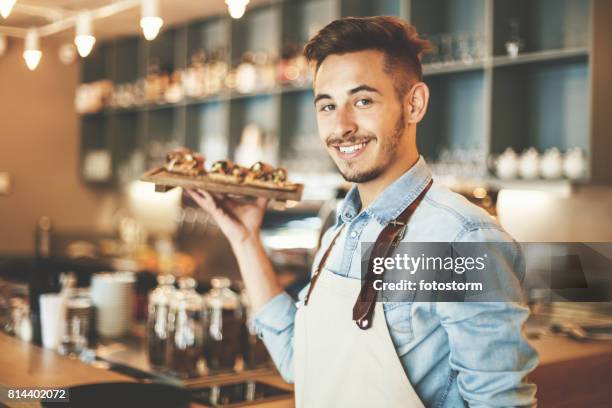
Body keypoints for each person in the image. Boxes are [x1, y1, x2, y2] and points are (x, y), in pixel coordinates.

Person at [188, 16, 538, 408]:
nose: (341, 126)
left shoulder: (459, 241)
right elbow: (299, 362)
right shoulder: (341, 229)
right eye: (327, 106)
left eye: (363, 100)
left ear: (414, 104)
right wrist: (244, 237)